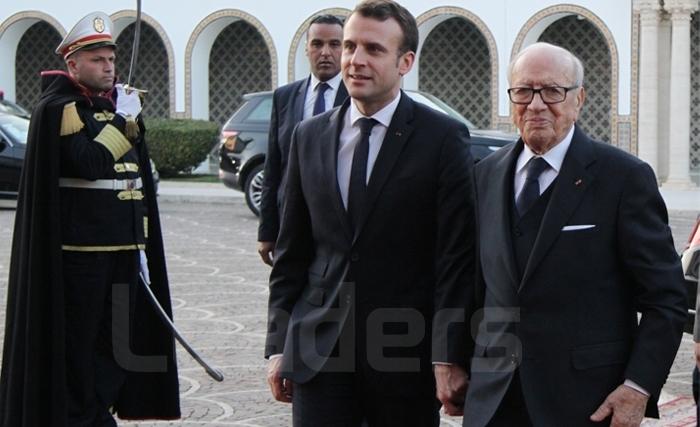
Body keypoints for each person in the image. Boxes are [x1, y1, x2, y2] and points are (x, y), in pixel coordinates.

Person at [264, 1, 476, 425]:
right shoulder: (309, 137)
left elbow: (456, 260)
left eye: (374, 50)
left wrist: (447, 353)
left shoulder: (443, 139)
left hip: (404, 354)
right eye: (349, 46)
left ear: (405, 62)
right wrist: (277, 344)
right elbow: (293, 252)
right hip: (319, 351)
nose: (355, 60)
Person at [463, 42, 687, 427]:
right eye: (523, 91)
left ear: (579, 98)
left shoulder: (623, 177)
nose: (535, 105)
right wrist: (451, 361)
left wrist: (638, 386)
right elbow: (472, 285)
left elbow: (665, 299)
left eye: (552, 91)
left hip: (586, 401)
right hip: (493, 399)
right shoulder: (485, 174)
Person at [0, 12, 180, 426]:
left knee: (118, 346)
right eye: (97, 59)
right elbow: (90, 163)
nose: (109, 66)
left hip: (123, 253)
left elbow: (133, 181)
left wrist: (141, 243)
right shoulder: (61, 109)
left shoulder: (111, 107)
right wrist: (123, 121)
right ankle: (81, 415)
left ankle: (100, 411)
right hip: (82, 258)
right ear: (73, 64)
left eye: (111, 58)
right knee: (79, 348)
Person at [257, 14, 348, 266]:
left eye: (335, 44)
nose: (325, 52)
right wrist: (267, 232)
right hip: (291, 222)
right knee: (286, 298)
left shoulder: (357, 99)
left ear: (346, 48)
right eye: (317, 44)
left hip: (339, 229)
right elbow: (273, 168)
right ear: (307, 49)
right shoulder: (285, 97)